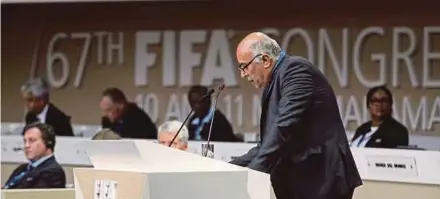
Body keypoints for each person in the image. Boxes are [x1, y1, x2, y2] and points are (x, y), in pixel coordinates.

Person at [229, 32, 362, 199]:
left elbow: (284, 127)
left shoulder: (296, 70)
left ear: (265, 60)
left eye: (244, 66)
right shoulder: (273, 82)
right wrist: (228, 168)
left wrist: (254, 174)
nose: (243, 74)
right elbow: (267, 144)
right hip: (300, 183)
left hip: (321, 180)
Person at [3, 122, 66, 189]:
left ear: (48, 142)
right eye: (25, 141)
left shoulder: (53, 172)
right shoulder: (21, 169)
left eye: (32, 140)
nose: (27, 146)